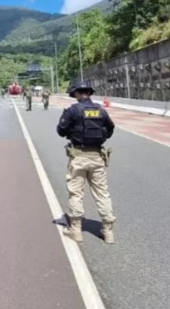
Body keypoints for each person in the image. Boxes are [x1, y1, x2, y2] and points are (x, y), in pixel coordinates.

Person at [56, 81, 116, 244]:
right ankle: (108, 231)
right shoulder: (100, 110)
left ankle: (75, 230)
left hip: (78, 156)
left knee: (76, 192)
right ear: (89, 92)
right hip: (97, 156)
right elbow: (110, 129)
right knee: (102, 192)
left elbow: (61, 131)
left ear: (76, 93)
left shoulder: (73, 111)